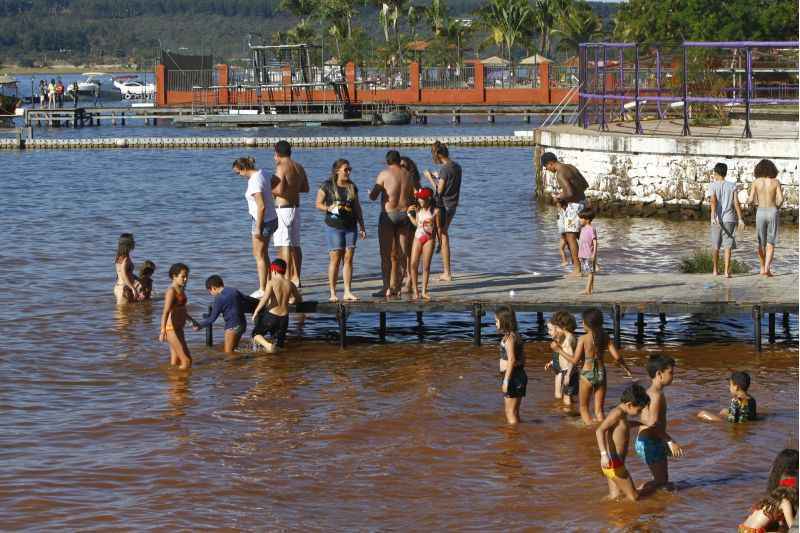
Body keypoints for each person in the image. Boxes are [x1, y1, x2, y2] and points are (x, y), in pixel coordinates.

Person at [315, 158, 367, 302]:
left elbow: (357, 208)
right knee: (335, 259)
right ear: (337, 170)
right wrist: (328, 208)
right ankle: (332, 293)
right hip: (333, 226)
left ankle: (347, 291)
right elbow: (318, 204)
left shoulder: (352, 186)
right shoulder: (327, 185)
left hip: (351, 227)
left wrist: (362, 226)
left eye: (350, 169)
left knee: (349, 259)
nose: (348, 172)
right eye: (346, 169)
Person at [572, 308, 632, 425]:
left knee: (584, 408)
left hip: (586, 374)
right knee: (599, 411)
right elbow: (617, 357)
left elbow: (575, 360)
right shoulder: (605, 337)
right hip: (601, 373)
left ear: (587, 324)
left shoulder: (583, 339)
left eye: (583, 322)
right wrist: (626, 368)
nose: (582, 324)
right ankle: (603, 431)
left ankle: (591, 434)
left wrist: (560, 350)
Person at [636, 354, 685, 496]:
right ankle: (635, 494)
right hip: (650, 442)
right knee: (661, 481)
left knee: (662, 480)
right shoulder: (656, 395)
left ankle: (651, 504)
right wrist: (670, 441)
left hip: (647, 440)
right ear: (659, 374)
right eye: (670, 373)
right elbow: (653, 424)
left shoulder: (650, 392)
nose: (673, 376)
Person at [370, 150, 415, 297]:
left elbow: (373, 196)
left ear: (387, 161)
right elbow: (413, 195)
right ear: (399, 160)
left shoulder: (384, 174)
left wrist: (372, 192)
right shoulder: (408, 175)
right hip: (404, 215)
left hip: (388, 216)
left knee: (386, 254)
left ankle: (386, 288)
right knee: (403, 253)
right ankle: (400, 285)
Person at [595, 383, 651, 501]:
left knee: (615, 497)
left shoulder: (622, 414)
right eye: (639, 410)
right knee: (634, 497)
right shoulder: (617, 413)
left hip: (612, 464)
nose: (640, 413)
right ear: (630, 405)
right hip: (614, 463)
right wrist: (603, 455)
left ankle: (612, 517)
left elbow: (623, 427)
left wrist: (640, 424)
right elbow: (599, 431)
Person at [233, 156, 279, 297]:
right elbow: (277, 180)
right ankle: (269, 284)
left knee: (258, 255)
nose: (239, 176)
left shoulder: (253, 181)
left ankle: (262, 289)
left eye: (238, 173)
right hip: (272, 218)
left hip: (262, 221)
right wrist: (271, 196)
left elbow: (261, 206)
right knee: (263, 253)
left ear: (244, 168)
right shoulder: (263, 172)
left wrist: (258, 227)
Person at [541, 152, 590, 276]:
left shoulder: (560, 173)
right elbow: (585, 185)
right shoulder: (570, 167)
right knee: (582, 236)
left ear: (550, 163)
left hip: (574, 207)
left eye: (546, 167)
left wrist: (558, 197)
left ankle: (577, 270)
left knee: (570, 237)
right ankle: (592, 265)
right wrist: (575, 193)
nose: (547, 169)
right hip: (583, 202)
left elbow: (568, 192)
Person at [272, 140, 309, 287]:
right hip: (296, 208)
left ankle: (285, 279)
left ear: (277, 153)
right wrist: (292, 188)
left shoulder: (281, 167)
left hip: (283, 209)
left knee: (284, 245)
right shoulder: (298, 167)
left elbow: (279, 190)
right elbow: (305, 188)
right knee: (296, 245)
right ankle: (296, 278)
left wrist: (267, 189)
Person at [423, 141, 461, 282]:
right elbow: (448, 182)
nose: (434, 158)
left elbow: (439, 191)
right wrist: (437, 176)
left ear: (438, 154)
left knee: (443, 236)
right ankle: (445, 270)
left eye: (434, 155)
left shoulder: (445, 169)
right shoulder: (456, 166)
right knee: (443, 233)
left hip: (443, 205)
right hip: (453, 204)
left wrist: (429, 178)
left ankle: (447, 272)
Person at [193, 275, 254, 354]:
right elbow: (248, 299)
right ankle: (240, 365)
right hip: (242, 325)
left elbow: (212, 319)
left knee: (228, 353)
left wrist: (199, 325)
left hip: (232, 327)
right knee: (234, 349)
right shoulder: (234, 290)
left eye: (210, 292)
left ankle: (234, 365)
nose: (211, 294)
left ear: (213, 288)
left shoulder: (219, 298)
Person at [252, 259, 302, 353]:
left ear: (274, 270)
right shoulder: (290, 284)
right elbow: (298, 299)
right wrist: (292, 300)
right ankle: (277, 363)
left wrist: (256, 311)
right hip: (284, 318)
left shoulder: (271, 282)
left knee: (256, 334)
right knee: (280, 345)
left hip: (271, 315)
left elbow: (264, 299)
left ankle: (268, 345)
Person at [739, 456, 797, 533]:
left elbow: (781, 526)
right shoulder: (785, 503)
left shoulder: (771, 500)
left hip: (743, 528)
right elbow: (792, 527)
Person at [709, 162, 746, 277]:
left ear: (716, 173)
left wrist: (713, 215)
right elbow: (736, 203)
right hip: (730, 219)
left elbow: (713, 201)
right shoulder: (732, 186)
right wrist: (740, 219)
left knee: (716, 245)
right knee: (727, 246)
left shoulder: (713, 185)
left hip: (717, 219)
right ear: (725, 173)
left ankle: (715, 270)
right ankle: (726, 271)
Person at [748, 159, 784, 277]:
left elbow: (751, 199)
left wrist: (752, 206)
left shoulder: (756, 182)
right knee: (771, 241)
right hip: (773, 211)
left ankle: (762, 266)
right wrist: (776, 207)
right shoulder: (776, 182)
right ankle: (768, 268)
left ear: (759, 169)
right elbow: (781, 199)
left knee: (760, 242)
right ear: (772, 169)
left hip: (761, 211)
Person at [159, 263, 195, 370]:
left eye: (187, 276)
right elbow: (165, 312)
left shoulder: (181, 289)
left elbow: (181, 309)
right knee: (187, 361)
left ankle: (176, 385)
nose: (185, 279)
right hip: (171, 329)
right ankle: (182, 383)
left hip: (179, 329)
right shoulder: (171, 291)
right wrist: (162, 331)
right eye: (183, 276)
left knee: (175, 362)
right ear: (174, 276)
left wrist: (192, 321)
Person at [496, 305, 527, 425]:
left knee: (509, 412)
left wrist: (506, 381)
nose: (496, 323)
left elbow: (512, 359)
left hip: (512, 377)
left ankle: (512, 440)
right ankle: (518, 434)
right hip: (519, 375)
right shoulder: (516, 336)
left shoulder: (509, 339)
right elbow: (523, 358)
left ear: (504, 321)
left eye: (497, 321)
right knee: (514, 412)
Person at [407, 187, 439, 300]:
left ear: (429, 198)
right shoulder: (418, 210)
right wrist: (409, 215)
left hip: (429, 239)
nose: (420, 200)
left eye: (423, 198)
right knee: (413, 264)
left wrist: (439, 242)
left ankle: (424, 291)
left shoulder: (435, 212)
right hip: (418, 237)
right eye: (419, 198)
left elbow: (438, 228)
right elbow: (417, 224)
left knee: (425, 266)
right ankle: (416, 291)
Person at [544, 310, 579, 407]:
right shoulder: (566, 337)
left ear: (563, 327)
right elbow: (562, 356)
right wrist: (552, 362)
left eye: (557, 328)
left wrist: (568, 374)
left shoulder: (569, 339)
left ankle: (569, 417)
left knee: (567, 400)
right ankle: (569, 414)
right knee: (566, 398)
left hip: (569, 372)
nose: (556, 330)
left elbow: (572, 359)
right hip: (565, 371)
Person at [113, 233, 138, 305]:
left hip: (119, 287)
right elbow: (124, 275)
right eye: (132, 241)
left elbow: (123, 273)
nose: (134, 242)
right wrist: (133, 288)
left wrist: (137, 279)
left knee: (124, 314)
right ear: (128, 244)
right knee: (124, 315)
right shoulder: (126, 259)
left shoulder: (119, 256)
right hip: (124, 289)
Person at [578, 207, 598, 295]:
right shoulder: (582, 229)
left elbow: (595, 242)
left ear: (587, 219)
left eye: (581, 218)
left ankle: (588, 290)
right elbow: (581, 242)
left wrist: (594, 254)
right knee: (590, 271)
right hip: (583, 254)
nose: (580, 220)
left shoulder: (591, 229)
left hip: (589, 254)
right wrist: (579, 254)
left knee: (590, 272)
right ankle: (591, 288)